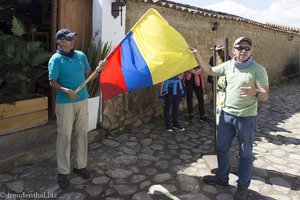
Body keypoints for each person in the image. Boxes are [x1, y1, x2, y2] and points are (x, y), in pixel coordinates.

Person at [190, 36, 269, 200]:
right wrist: (197, 54)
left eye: (247, 48)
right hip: (227, 116)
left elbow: (265, 96)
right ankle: (222, 177)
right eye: (239, 47)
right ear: (233, 50)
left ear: (250, 51)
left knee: (245, 154)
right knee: (221, 148)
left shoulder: (258, 70)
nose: (243, 51)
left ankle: (242, 186)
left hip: (246, 119)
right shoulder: (228, 65)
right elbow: (210, 71)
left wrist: (255, 92)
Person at [48, 28, 106, 190]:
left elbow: (89, 73)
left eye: (72, 38)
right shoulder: (55, 59)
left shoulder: (81, 55)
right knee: (65, 136)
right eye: (67, 39)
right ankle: (63, 171)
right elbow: (53, 82)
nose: (71, 41)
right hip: (65, 103)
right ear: (59, 41)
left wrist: (99, 68)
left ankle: (80, 166)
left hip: (82, 99)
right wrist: (66, 91)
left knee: (81, 133)